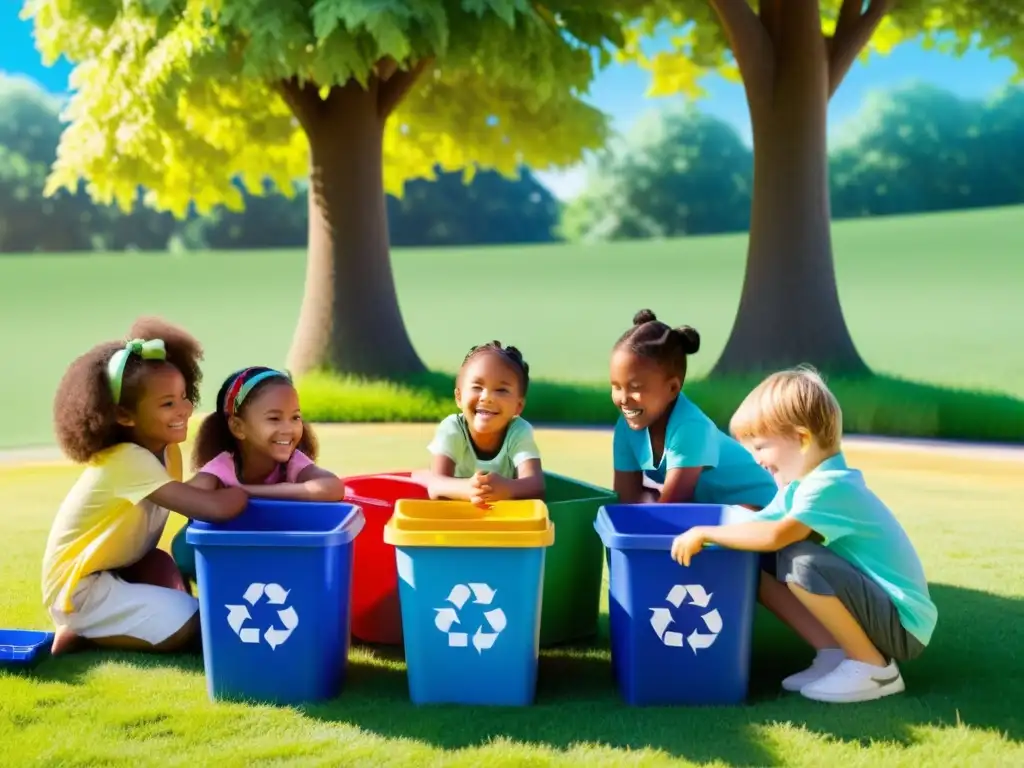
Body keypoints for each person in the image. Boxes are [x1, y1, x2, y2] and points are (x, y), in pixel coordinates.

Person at [670, 367, 938, 703]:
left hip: (903, 625)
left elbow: (775, 536)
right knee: (765, 558)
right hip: (882, 611)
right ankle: (834, 652)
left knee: (801, 562)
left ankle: (874, 668)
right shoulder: (801, 486)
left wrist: (704, 532)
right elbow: (756, 526)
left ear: (801, 438)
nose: (757, 461)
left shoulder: (829, 485)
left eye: (762, 447)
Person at [43, 318, 248, 656]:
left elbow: (190, 493)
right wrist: (246, 489)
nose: (184, 409)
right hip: (80, 589)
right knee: (193, 623)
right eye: (167, 404)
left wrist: (220, 477)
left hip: (126, 566)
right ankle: (83, 629)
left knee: (163, 567)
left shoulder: (167, 450)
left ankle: (103, 623)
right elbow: (211, 508)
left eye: (184, 397)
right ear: (124, 416)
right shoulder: (127, 459)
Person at [170, 366, 345, 579]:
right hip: (221, 562)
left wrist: (248, 491)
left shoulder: (292, 462)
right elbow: (188, 498)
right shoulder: (224, 467)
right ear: (238, 427)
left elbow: (332, 488)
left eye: (295, 417)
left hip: (276, 560)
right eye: (274, 419)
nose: (288, 429)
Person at [610, 309, 777, 508]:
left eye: (636, 388)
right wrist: (647, 500)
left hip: (759, 509)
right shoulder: (627, 426)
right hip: (713, 516)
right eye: (616, 387)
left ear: (672, 388)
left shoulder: (689, 428)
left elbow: (671, 509)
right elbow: (625, 500)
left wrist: (650, 501)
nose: (624, 399)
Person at [418, 341, 544, 507]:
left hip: (503, 522)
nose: (487, 397)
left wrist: (507, 488)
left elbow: (536, 486)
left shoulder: (519, 431)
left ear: (518, 406)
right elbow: (435, 485)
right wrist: (468, 490)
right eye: (477, 387)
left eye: (501, 390)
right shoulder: (452, 429)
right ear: (459, 397)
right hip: (456, 519)